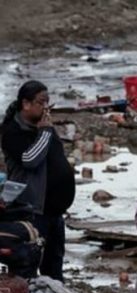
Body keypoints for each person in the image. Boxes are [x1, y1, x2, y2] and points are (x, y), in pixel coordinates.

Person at [1, 80, 75, 281]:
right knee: (31, 264)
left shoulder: (43, 129)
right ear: (26, 104)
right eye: (41, 103)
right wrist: (45, 131)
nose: (46, 108)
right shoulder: (12, 132)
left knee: (55, 266)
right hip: (33, 211)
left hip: (54, 211)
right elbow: (30, 159)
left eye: (48, 103)